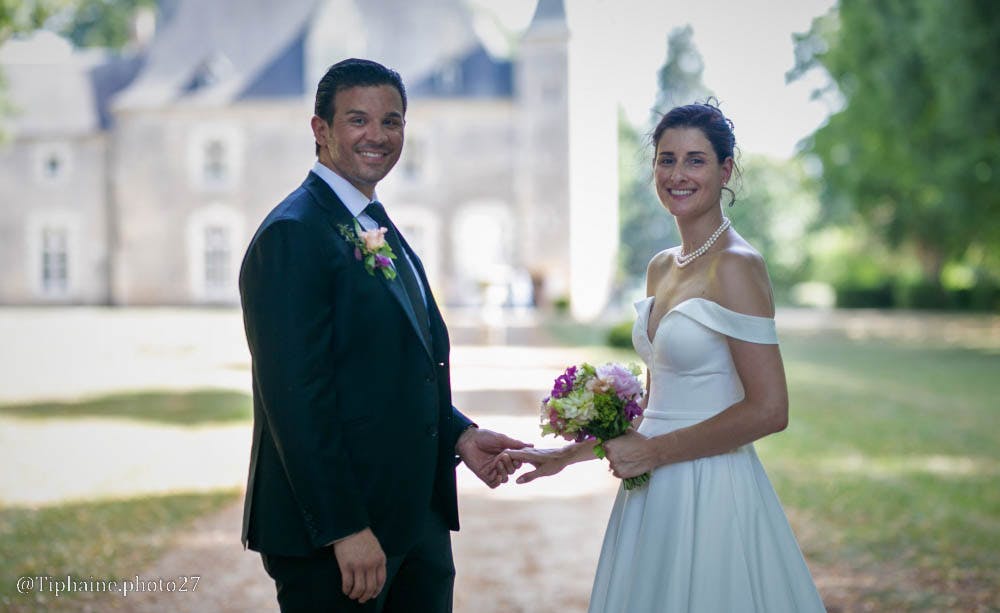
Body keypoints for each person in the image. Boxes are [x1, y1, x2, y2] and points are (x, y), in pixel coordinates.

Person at [508, 103, 825, 612]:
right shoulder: (661, 267)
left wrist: (654, 454)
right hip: (652, 494)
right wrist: (565, 456)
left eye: (695, 161)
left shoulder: (738, 267)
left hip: (712, 488)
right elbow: (656, 408)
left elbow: (770, 409)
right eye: (666, 159)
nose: (677, 174)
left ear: (725, 171)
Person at [239, 58, 526, 612]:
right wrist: (344, 528)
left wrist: (459, 436)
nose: (378, 135)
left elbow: (394, 369)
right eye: (357, 120)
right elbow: (296, 399)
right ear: (320, 131)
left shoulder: (375, 220)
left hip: (415, 521)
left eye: (391, 121)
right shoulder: (293, 234)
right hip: (342, 538)